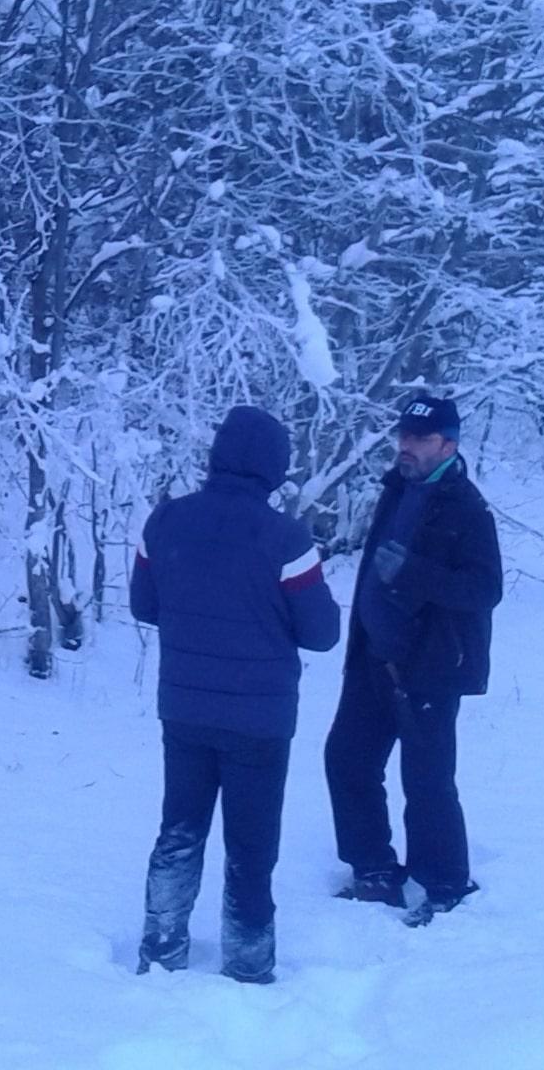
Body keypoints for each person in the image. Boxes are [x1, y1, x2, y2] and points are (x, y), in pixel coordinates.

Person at [129, 405, 341, 984]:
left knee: (179, 829)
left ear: (217, 454)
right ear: (274, 467)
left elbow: (144, 605)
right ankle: (247, 963)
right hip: (260, 720)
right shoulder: (286, 538)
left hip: (184, 709)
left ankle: (162, 945)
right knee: (250, 845)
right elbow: (322, 634)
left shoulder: (165, 521)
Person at [323, 393, 504, 927]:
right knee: (347, 759)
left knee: (426, 780)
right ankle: (374, 870)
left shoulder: (467, 507)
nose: (407, 446)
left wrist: (414, 573)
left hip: (430, 667)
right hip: (372, 658)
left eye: (420, 438)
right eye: (404, 435)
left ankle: (446, 885)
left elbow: (485, 589)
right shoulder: (396, 488)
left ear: (448, 445)